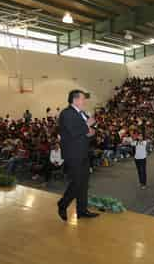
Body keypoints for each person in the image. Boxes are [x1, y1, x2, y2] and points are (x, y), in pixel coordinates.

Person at [57, 89, 98, 221]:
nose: (84, 101)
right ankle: (63, 204)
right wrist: (87, 125)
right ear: (75, 100)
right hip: (73, 154)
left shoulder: (81, 113)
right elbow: (74, 131)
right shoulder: (67, 113)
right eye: (83, 99)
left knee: (84, 183)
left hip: (83, 152)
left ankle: (82, 210)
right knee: (77, 183)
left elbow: (88, 131)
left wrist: (91, 131)